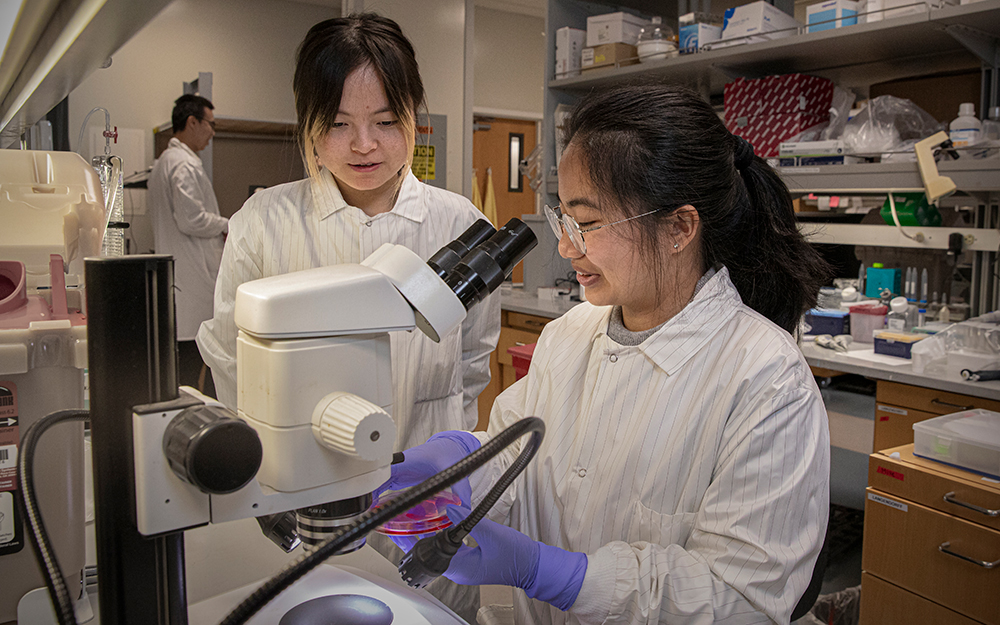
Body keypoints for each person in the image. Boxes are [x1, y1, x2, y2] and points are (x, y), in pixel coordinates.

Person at [384, 84, 832, 624]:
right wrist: (460, 465)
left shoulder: (767, 379)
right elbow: (518, 457)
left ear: (679, 228)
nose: (567, 247)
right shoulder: (571, 332)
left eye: (589, 223)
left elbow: (739, 602)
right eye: (564, 220)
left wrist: (558, 574)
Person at [195, 13, 499, 622]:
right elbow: (229, 357)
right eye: (337, 124)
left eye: (387, 122)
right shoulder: (264, 221)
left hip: (425, 503)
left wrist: (441, 460)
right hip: (298, 505)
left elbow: (472, 363)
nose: (365, 145)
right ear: (307, 124)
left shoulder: (459, 222)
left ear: (415, 113)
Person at [149, 93, 227, 397]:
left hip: (181, 278)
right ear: (192, 122)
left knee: (183, 360)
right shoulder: (183, 165)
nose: (212, 132)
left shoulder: (166, 162)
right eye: (210, 124)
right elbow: (191, 220)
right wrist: (227, 224)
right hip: (192, 278)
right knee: (194, 359)